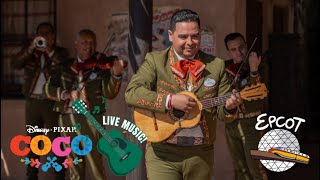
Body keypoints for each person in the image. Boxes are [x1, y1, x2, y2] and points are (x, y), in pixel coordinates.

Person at [125, 9, 242, 180]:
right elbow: (132, 93)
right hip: (162, 153)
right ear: (171, 35)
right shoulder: (156, 61)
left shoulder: (216, 66)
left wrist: (230, 109)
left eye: (195, 36)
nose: (190, 42)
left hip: (200, 154)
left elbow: (222, 114)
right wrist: (170, 100)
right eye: (183, 37)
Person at [43, 29, 124, 180]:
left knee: (95, 165)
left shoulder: (101, 66)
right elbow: (47, 89)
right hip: (68, 119)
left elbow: (109, 93)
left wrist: (116, 74)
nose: (89, 46)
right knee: (74, 165)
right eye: (84, 42)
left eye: (92, 43)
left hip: (92, 118)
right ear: (76, 45)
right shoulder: (64, 67)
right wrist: (65, 93)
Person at [11, 22, 69, 180]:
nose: (44, 36)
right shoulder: (30, 52)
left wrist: (49, 50)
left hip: (52, 103)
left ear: (54, 35)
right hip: (33, 103)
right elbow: (15, 63)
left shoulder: (61, 53)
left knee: (57, 142)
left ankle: (59, 176)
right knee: (33, 143)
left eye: (48, 33)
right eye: (41, 33)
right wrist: (31, 47)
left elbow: (65, 68)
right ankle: (31, 176)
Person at [224, 32, 269, 180]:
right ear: (229, 51)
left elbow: (258, 92)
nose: (239, 52)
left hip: (253, 123)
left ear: (247, 46)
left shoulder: (259, 65)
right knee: (240, 170)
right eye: (233, 49)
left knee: (256, 168)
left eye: (241, 47)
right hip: (232, 123)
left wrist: (254, 70)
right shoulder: (226, 68)